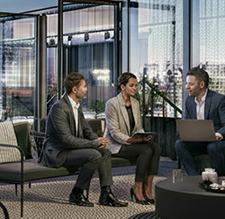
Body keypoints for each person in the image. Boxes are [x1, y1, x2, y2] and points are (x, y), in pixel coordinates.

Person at [40, 72, 127, 208]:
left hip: (71, 150)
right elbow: (66, 140)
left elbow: (86, 130)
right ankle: (76, 192)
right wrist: (94, 143)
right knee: (93, 155)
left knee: (105, 152)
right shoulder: (59, 108)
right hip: (58, 153)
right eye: (84, 86)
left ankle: (106, 194)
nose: (86, 89)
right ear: (75, 90)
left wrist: (100, 141)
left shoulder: (76, 105)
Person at [174, 67, 225, 176]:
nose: (187, 87)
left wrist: (217, 135)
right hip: (201, 142)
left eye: (191, 84)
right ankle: (195, 179)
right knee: (180, 144)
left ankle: (218, 181)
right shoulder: (189, 101)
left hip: (224, 142)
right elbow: (187, 123)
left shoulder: (219, 99)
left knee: (212, 147)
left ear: (201, 85)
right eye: (186, 83)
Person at [105, 72, 161, 204]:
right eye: (131, 85)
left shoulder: (135, 103)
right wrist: (132, 140)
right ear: (122, 87)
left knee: (156, 148)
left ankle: (147, 187)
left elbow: (138, 128)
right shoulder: (112, 104)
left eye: (136, 85)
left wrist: (142, 136)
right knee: (146, 150)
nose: (135, 88)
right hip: (117, 145)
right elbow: (114, 132)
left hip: (133, 142)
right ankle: (137, 187)